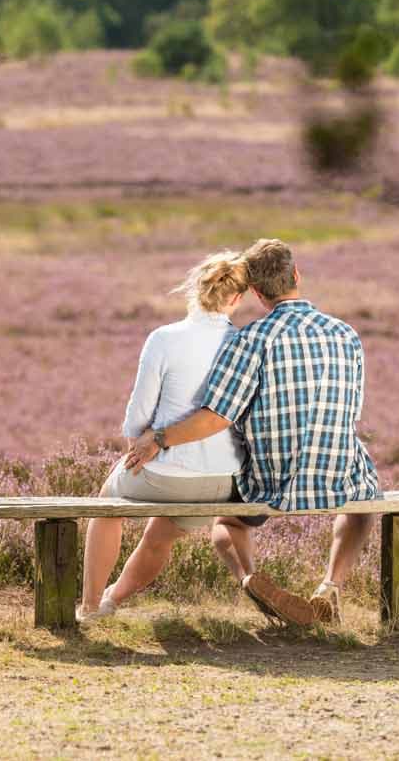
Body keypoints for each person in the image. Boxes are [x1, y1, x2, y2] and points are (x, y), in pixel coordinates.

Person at [125, 238, 379, 626]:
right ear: (297, 275)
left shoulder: (251, 339)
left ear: (257, 294)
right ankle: (330, 587)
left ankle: (251, 578)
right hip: (339, 472)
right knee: (365, 504)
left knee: (226, 523)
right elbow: (353, 409)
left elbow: (217, 417)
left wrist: (159, 439)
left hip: (271, 478)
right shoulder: (347, 334)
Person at [76, 251, 251, 623]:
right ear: (236, 298)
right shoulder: (244, 344)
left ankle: (90, 607)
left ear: (194, 290)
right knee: (161, 536)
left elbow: (138, 416)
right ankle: (112, 599)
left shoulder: (165, 339)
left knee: (106, 507)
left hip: (166, 473)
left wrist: (137, 449)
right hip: (221, 482)